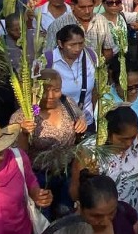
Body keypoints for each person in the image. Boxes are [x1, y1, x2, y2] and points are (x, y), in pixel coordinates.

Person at [11, 69, 87, 217]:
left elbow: (80, 118)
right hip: (39, 178)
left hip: (67, 173)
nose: (51, 96)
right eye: (45, 90)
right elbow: (18, 155)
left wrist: (81, 124)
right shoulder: (24, 115)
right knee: (43, 219)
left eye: (56, 90)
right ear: (36, 90)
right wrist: (24, 133)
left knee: (66, 216)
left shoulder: (68, 103)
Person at [71, 105, 138, 228]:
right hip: (105, 223)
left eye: (132, 137)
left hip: (135, 215)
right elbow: (75, 192)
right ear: (108, 133)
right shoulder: (88, 152)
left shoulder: (137, 141)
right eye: (123, 139)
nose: (129, 143)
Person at [39, 24, 99, 131]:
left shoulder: (92, 57)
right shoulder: (44, 61)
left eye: (81, 44)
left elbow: (96, 90)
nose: (77, 49)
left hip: (86, 122)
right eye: (72, 45)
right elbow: (34, 95)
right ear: (60, 43)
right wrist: (35, 117)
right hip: (56, 125)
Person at [44, 0, 117, 59]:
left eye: (90, 6)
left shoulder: (101, 20)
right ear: (72, 6)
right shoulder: (58, 25)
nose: (87, 11)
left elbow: (108, 50)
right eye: (82, 7)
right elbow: (49, 54)